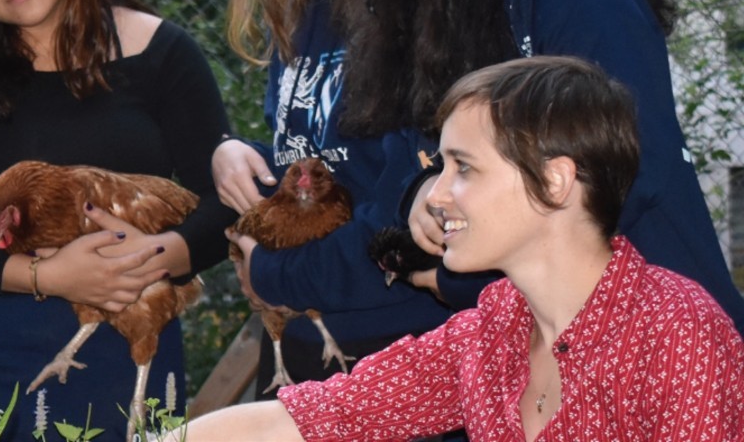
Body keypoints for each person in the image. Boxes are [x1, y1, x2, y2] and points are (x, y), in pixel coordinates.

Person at [325, 0, 744, 335]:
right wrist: (419, 194)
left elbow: (629, 170)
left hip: (657, 347)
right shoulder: (422, 7)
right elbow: (399, 161)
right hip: (531, 346)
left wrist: (464, 279)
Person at [178, 56, 744, 441]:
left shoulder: (675, 333)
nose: (436, 196)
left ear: (554, 182)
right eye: (439, 166)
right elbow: (308, 420)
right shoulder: (493, 328)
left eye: (463, 169)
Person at [0, 0, 235, 438]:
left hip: (125, 339)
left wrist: (153, 258)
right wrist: (45, 275)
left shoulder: (160, 52)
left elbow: (221, 199)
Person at [214, 0, 453, 397]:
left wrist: (274, 272)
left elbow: (405, 203)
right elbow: (321, 162)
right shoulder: (298, 17)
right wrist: (237, 154)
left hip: (402, 347)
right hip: (310, 338)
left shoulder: (409, 12)